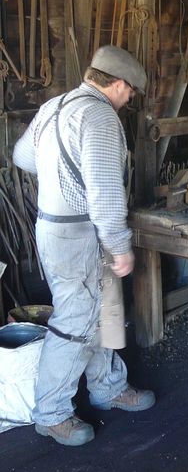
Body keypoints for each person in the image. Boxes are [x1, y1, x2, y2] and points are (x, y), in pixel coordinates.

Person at [12, 45, 155, 446]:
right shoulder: (100, 117)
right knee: (76, 319)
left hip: (53, 227)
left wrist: (58, 173)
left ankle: (108, 387)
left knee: (103, 309)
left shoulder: (55, 106)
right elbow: (105, 193)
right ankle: (51, 413)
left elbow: (22, 156)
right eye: (131, 92)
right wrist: (120, 245)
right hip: (78, 234)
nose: (129, 99)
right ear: (119, 84)